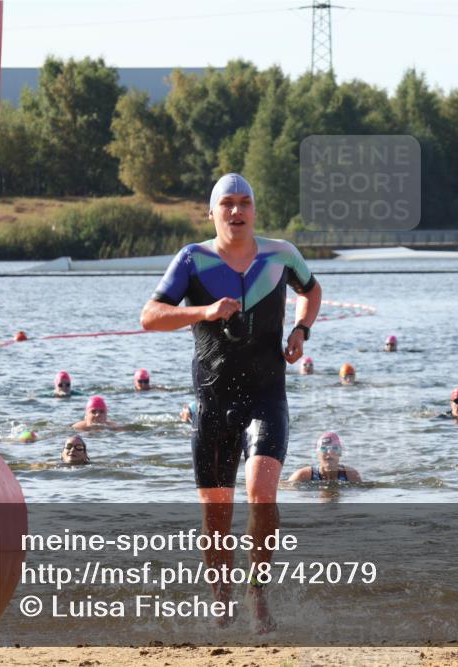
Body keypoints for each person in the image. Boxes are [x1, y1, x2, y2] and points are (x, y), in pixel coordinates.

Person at [139, 172, 322, 633]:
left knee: (262, 497)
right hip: (213, 401)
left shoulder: (282, 254)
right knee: (216, 513)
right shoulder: (192, 260)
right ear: (212, 212)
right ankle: (221, 598)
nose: (236, 212)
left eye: (244, 203)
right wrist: (203, 311)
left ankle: (256, 594)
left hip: (266, 395)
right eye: (227, 204)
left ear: (255, 210)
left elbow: (311, 290)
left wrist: (301, 330)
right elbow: (150, 316)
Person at [288, 432, 362, 483]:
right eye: (324, 449)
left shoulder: (351, 475)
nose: (329, 452)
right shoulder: (303, 475)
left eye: (334, 448)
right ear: (317, 453)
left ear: (340, 452)